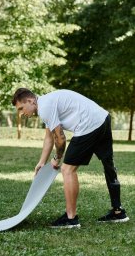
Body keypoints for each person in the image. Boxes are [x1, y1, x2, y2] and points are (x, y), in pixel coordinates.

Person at [12, 88, 129, 228]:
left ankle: (71, 218)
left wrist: (57, 158)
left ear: (30, 101)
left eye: (21, 108)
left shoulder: (45, 108)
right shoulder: (46, 102)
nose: (22, 113)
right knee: (108, 163)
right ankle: (118, 211)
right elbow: (49, 137)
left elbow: (60, 139)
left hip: (88, 125)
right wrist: (42, 162)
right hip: (102, 118)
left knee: (67, 170)